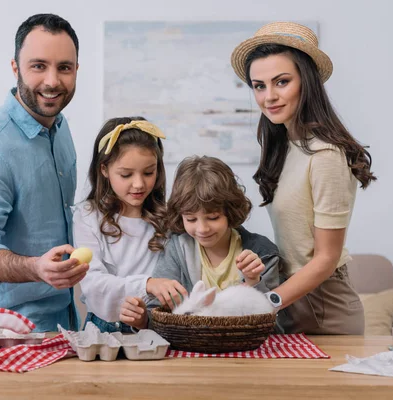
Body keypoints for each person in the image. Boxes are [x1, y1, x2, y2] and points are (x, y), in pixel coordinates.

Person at [230, 22, 377, 334]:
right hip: (290, 295)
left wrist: (265, 301)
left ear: (306, 82)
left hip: (325, 305)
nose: (269, 96)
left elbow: (326, 258)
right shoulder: (286, 147)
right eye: (259, 86)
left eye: (281, 82)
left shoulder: (326, 156)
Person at [0, 14, 88, 331]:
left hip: (63, 321)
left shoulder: (60, 126)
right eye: (38, 66)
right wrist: (35, 267)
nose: (53, 81)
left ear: (76, 70)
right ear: (15, 68)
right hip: (7, 336)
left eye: (64, 67)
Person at [120, 156, 282, 331]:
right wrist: (142, 320)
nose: (202, 229)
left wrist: (254, 281)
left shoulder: (262, 252)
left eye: (213, 217)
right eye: (191, 219)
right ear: (180, 216)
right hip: (193, 353)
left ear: (230, 211)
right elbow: (159, 311)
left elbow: (274, 325)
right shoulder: (177, 249)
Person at [72, 117, 169, 333]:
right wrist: (147, 284)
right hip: (102, 331)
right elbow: (93, 283)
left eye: (148, 172)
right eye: (126, 174)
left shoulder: (167, 219)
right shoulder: (87, 216)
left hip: (153, 329)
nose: (139, 184)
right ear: (104, 169)